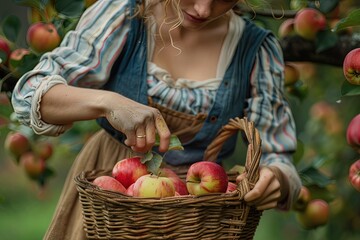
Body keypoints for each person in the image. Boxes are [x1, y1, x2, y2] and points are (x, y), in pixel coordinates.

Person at [11, 0, 302, 239]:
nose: (203, 9)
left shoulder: (256, 50)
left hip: (199, 215)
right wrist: (108, 103)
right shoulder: (123, 14)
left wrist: (276, 179)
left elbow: (277, 155)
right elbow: (29, 92)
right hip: (109, 204)